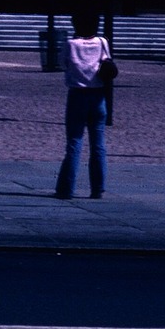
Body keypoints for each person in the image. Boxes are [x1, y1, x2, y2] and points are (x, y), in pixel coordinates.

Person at [55, 10, 111, 199]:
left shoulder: (71, 44)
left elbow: (62, 64)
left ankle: (66, 188)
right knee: (98, 144)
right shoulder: (102, 42)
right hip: (98, 95)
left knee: (74, 142)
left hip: (78, 94)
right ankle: (97, 188)